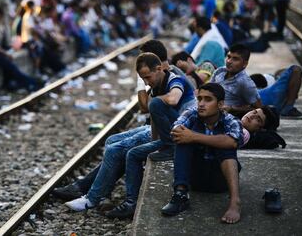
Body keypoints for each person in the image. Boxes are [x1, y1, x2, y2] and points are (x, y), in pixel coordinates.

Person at [54, 40, 171, 205]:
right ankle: (96, 189)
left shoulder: (169, 77)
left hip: (162, 132)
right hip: (153, 128)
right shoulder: (159, 77)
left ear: (155, 61)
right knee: (111, 142)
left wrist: (140, 82)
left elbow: (144, 107)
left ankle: (92, 195)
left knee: (117, 149)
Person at [160, 83, 279, 224]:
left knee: (225, 143)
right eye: (200, 99)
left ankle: (235, 202)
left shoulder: (231, 120)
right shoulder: (192, 113)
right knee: (183, 140)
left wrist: (194, 136)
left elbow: (233, 141)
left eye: (208, 99)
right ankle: (180, 194)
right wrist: (189, 136)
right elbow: (176, 130)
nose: (201, 104)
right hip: (195, 178)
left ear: (220, 104)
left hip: (219, 180)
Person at [104, 52, 196, 219]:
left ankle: (170, 147)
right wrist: (154, 144)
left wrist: (154, 100)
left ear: (159, 69)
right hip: (170, 137)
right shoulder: (156, 87)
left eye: (148, 77)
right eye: (143, 79)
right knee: (133, 154)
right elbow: (153, 116)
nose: (147, 82)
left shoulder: (175, 80)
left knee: (155, 103)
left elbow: (174, 99)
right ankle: (131, 203)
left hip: (188, 133)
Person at [0, 7, 39, 91]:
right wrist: (5, 53)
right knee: (10, 66)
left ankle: (10, 83)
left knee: (9, 65)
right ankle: (30, 82)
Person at [210, 44, 262, 118]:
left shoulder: (245, 83)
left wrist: (232, 108)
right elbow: (208, 90)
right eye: (228, 57)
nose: (229, 61)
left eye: (235, 59)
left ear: (245, 64)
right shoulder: (219, 71)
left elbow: (258, 109)